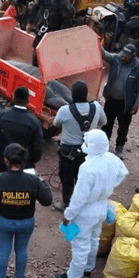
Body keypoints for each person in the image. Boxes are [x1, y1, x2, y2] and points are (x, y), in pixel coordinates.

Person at [54, 129, 128, 278]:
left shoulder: (88, 168)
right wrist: (107, 189)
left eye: (87, 143)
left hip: (85, 211)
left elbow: (79, 197)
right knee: (94, 239)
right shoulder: (112, 158)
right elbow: (122, 173)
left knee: (80, 245)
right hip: (102, 205)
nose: (84, 145)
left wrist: (69, 215)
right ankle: (88, 269)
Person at [0, 143, 53, 278]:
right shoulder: (33, 180)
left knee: (4, 249)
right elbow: (47, 201)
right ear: (23, 160)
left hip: (4, 221)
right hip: (26, 222)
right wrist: (43, 183)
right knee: (21, 250)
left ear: (6, 160)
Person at [52, 80, 106, 208]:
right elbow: (103, 121)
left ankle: (67, 204)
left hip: (68, 152)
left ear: (73, 94)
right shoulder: (97, 107)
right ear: (86, 94)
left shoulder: (65, 110)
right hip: (89, 151)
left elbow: (55, 124)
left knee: (67, 179)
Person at [101, 44, 139, 159]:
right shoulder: (116, 59)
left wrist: (136, 105)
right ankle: (104, 146)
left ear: (133, 57)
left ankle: (119, 148)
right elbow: (104, 54)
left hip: (126, 104)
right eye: (122, 55)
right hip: (111, 100)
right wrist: (97, 42)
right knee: (107, 124)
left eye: (126, 57)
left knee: (123, 127)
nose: (122, 58)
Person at [0, 86, 44, 173]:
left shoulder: (2, 115)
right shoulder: (34, 122)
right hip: (24, 165)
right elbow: (38, 147)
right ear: (28, 101)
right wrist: (31, 161)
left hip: (4, 162)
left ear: (13, 98)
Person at [30, 0, 75, 65]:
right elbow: (35, 8)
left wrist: (61, 36)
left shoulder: (63, 3)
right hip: (43, 27)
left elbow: (67, 20)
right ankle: (34, 68)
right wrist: (30, 22)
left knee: (50, 53)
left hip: (55, 31)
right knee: (36, 47)